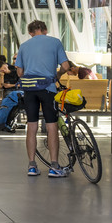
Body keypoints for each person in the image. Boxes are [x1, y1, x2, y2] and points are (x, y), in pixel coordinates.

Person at [15, 19, 71, 177]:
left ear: (31, 33)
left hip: (30, 90)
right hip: (48, 88)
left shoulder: (24, 46)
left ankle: (32, 166)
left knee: (31, 125)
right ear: (45, 30)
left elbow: (19, 73)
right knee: (52, 125)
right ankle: (54, 166)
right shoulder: (55, 42)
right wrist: (57, 75)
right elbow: (66, 66)